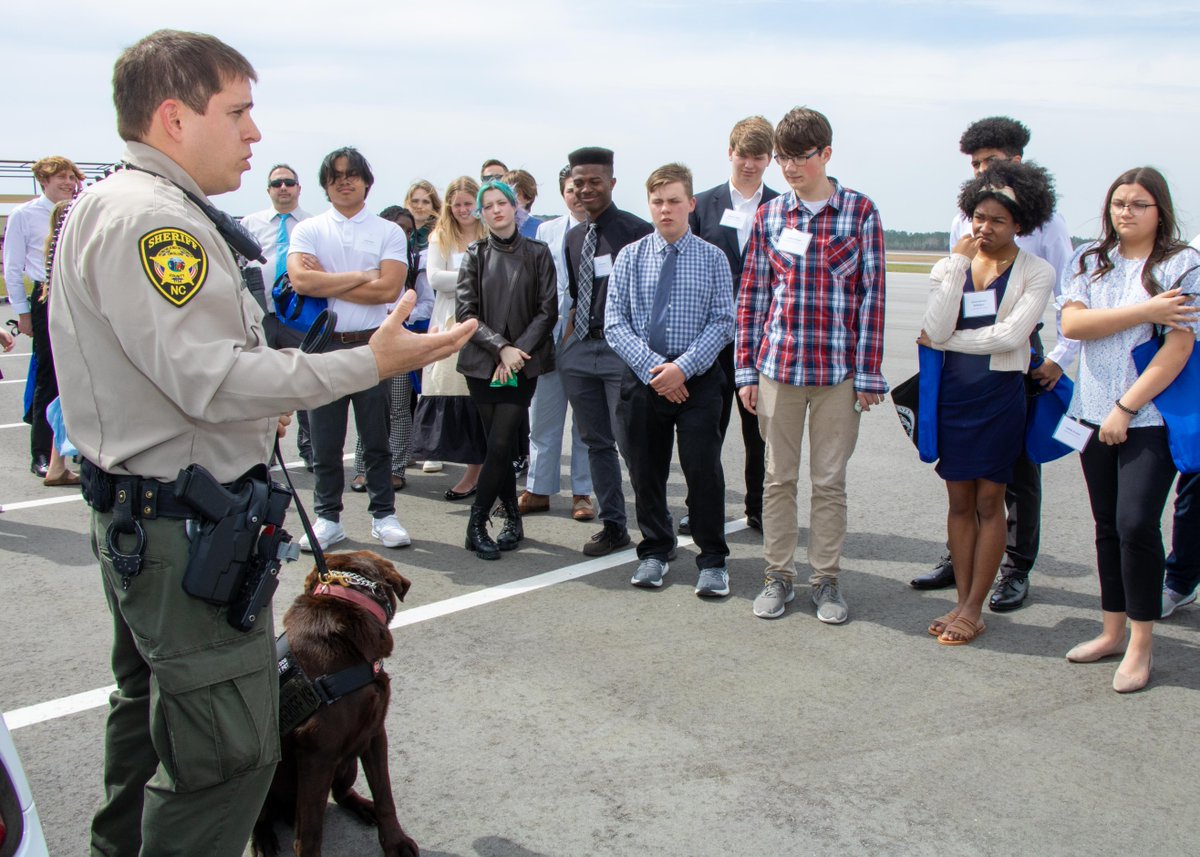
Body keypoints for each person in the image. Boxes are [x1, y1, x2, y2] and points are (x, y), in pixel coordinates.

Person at [48, 29, 473, 857]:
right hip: (181, 534)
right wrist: (370, 361)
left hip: (158, 518)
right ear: (173, 117)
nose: (255, 133)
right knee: (227, 755)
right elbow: (214, 377)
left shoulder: (132, 203)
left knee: (149, 719)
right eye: (238, 111)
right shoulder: (150, 221)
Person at [912, 116, 1076, 613]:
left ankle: (1013, 568)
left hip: (1013, 366)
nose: (983, 170)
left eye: (991, 161)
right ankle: (962, 568)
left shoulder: (1046, 234)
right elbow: (941, 310)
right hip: (958, 383)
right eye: (976, 165)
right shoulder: (965, 231)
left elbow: (1064, 301)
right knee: (962, 496)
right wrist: (956, 270)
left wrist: (1058, 358)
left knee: (1012, 482)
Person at [735, 106, 887, 623]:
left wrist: (868, 371)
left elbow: (873, 297)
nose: (790, 168)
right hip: (779, 368)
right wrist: (746, 370)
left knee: (829, 482)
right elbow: (753, 294)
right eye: (783, 158)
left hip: (838, 376)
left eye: (800, 157)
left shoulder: (860, 212)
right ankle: (778, 576)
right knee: (777, 479)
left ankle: (826, 580)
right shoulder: (772, 215)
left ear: (826, 153)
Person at [1058, 166, 1200, 693]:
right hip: (1091, 412)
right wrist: (1146, 310)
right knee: (1107, 527)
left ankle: (1141, 644)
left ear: (1159, 209)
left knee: (1137, 524)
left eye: (1139, 204)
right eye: (1119, 203)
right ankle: (1111, 630)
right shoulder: (1090, 260)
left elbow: (1178, 347)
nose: (1126, 212)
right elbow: (1074, 326)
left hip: (1150, 418)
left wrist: (1125, 408)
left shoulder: (1183, 265)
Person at [607, 163, 734, 593]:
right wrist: (655, 370)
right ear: (649, 205)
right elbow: (615, 323)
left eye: (674, 201)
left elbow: (722, 322)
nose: (666, 210)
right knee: (646, 471)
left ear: (690, 204)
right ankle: (656, 551)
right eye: (658, 202)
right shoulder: (630, 257)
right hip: (644, 379)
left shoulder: (712, 257)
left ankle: (713, 559)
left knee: (703, 470)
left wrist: (683, 367)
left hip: (696, 379)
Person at [287, 146, 411, 552]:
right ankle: (327, 518)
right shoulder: (308, 229)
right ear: (326, 184)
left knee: (376, 436)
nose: (344, 181)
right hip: (325, 347)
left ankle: (383, 514)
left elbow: (390, 288)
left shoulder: (388, 231)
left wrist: (332, 279)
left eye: (352, 174)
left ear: (366, 182)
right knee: (325, 440)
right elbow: (302, 282)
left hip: (373, 344)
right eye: (335, 175)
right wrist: (362, 276)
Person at [687, 115, 779, 534]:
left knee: (760, 431)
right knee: (705, 429)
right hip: (710, 340)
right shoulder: (701, 205)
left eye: (758, 157)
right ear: (730, 153)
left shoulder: (781, 206)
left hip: (763, 339)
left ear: (770, 160)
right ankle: (701, 506)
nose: (749, 164)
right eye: (743, 155)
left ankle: (760, 506)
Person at [456, 180, 558, 558]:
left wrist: (517, 352)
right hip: (483, 363)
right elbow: (465, 313)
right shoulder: (474, 253)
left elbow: (548, 310)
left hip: (523, 364)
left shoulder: (538, 252)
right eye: (489, 205)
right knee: (497, 446)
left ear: (515, 207)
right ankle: (512, 517)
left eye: (503, 203)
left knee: (500, 442)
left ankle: (477, 522)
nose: (496, 210)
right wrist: (500, 348)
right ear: (481, 214)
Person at [560, 146, 653, 556]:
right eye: (579, 182)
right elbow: (578, 296)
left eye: (595, 181)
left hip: (622, 351)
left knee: (633, 443)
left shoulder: (636, 231)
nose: (586, 189)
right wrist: (567, 347)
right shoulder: (573, 236)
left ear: (612, 183)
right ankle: (614, 526)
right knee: (595, 442)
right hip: (580, 351)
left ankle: (655, 530)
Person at [3, 155, 84, 480]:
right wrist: (22, 312)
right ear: (44, 181)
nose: (69, 183)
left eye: (72, 177)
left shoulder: (80, 208)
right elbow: (12, 266)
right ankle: (42, 453)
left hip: (77, 294)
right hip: (45, 296)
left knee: (80, 376)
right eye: (62, 178)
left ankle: (71, 449)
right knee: (48, 378)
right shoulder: (25, 214)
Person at [523, 165, 594, 520]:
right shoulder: (545, 231)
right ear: (563, 192)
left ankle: (582, 492)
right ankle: (538, 488)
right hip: (550, 339)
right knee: (543, 418)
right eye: (571, 187)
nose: (578, 194)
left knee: (586, 423)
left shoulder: (606, 230)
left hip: (590, 340)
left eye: (584, 186)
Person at [411, 176, 489, 497]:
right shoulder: (440, 236)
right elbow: (434, 278)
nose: (462, 210)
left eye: (468, 203)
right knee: (451, 391)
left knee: (481, 401)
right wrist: (479, 273)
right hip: (449, 322)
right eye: (456, 204)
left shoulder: (489, 233)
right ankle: (466, 467)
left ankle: (478, 473)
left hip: (485, 324)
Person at [239, 163, 314, 467]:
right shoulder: (250, 223)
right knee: (263, 386)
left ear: (298, 188)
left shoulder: (312, 224)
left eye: (289, 183)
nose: (283, 188)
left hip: (300, 315)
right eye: (277, 184)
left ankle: (311, 450)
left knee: (308, 382)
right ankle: (264, 452)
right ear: (268, 190)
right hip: (262, 314)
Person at [350, 205, 418, 494]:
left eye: (408, 231)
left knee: (399, 407)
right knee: (369, 406)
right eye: (398, 228)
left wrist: (402, 314)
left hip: (401, 338)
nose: (402, 235)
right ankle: (362, 468)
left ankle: (396, 468)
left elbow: (424, 300)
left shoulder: (413, 261)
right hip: (368, 339)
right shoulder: (366, 257)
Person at [503, 168, 541, 239]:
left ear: (528, 197)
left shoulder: (541, 229)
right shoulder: (495, 227)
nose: (509, 197)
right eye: (505, 193)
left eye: (515, 193)